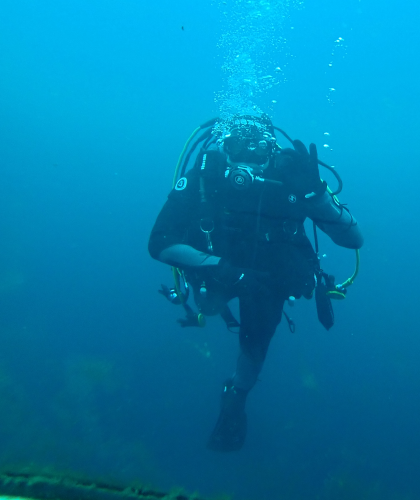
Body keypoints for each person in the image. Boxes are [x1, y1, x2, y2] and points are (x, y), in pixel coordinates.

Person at [148, 115, 363, 451]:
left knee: (255, 343)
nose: (245, 159)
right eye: (235, 146)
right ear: (223, 146)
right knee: (212, 304)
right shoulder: (205, 176)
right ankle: (232, 371)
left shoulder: (290, 176)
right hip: (217, 271)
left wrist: (317, 194)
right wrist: (223, 267)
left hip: (268, 278)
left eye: (259, 148)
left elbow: (354, 239)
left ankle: (237, 396)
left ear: (270, 150)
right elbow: (159, 242)